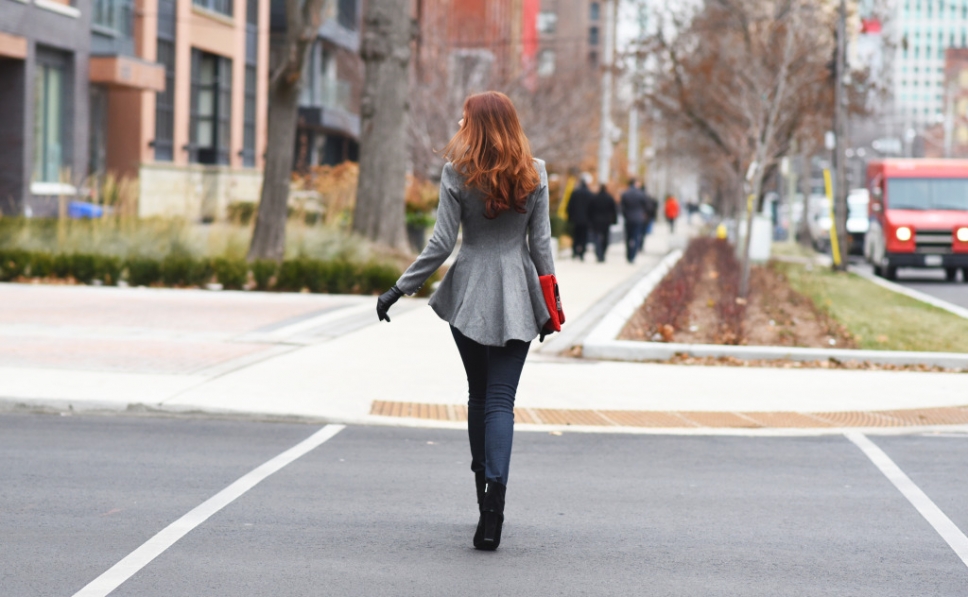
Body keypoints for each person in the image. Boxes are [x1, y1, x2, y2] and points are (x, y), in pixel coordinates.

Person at [375, 91, 555, 552]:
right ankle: (494, 509)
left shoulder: (458, 171)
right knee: (501, 401)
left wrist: (399, 288)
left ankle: (484, 500)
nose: (458, 120)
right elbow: (541, 248)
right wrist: (551, 306)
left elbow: (440, 245)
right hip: (518, 290)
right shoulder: (534, 172)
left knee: (480, 394)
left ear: (475, 124)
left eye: (464, 117)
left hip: (470, 290)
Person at [619, 177, 649, 263]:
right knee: (636, 237)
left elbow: (622, 207)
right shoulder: (641, 194)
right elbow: (646, 206)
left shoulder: (625, 194)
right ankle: (633, 256)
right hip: (638, 219)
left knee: (628, 237)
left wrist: (625, 215)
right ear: (636, 183)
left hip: (628, 218)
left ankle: (628, 255)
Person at [566, 175, 593, 260]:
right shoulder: (590, 194)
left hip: (576, 219)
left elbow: (570, 206)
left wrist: (570, 217)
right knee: (584, 237)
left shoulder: (575, 193)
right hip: (586, 220)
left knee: (576, 235)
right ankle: (582, 253)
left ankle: (575, 252)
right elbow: (592, 208)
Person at [588, 184, 617, 262]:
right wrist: (614, 221)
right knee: (605, 238)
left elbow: (590, 210)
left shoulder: (595, 198)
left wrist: (590, 220)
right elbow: (614, 210)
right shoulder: (609, 198)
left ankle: (599, 253)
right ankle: (603, 253)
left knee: (596, 237)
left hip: (596, 221)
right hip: (606, 221)